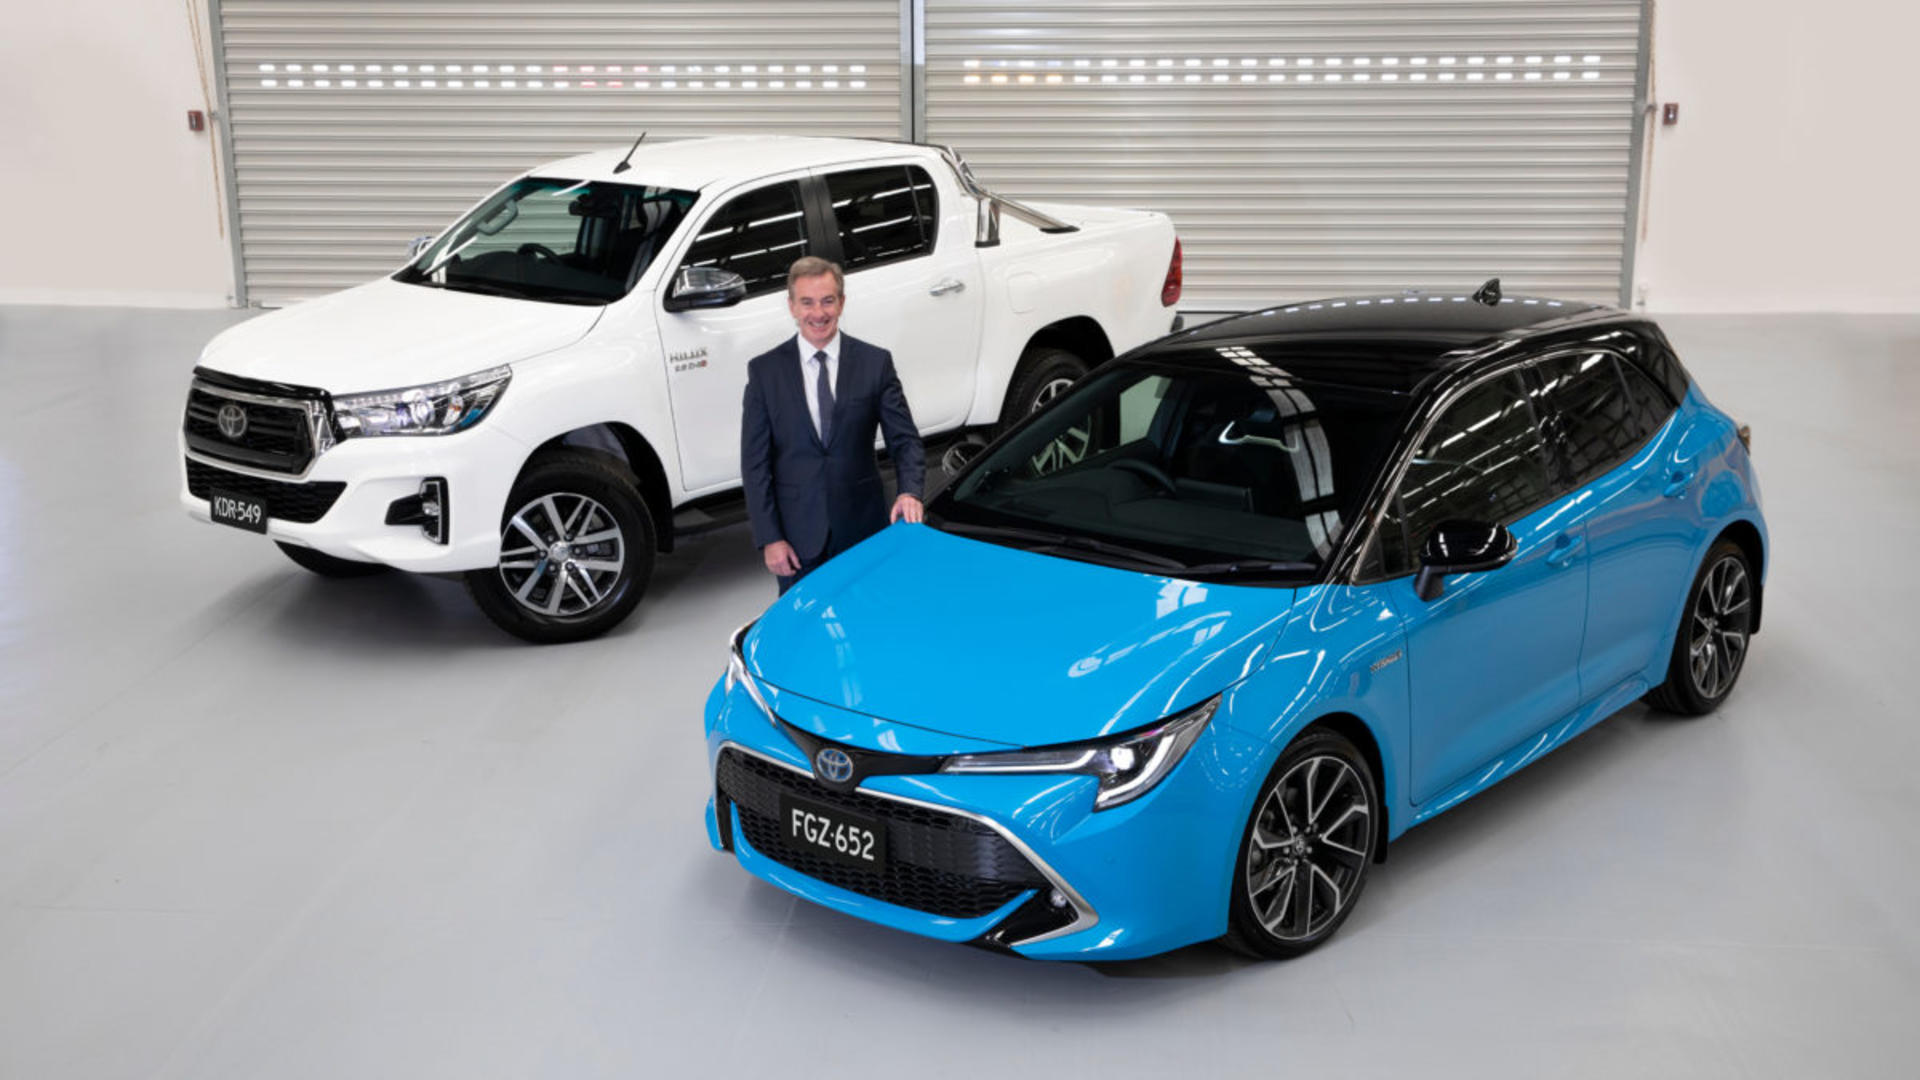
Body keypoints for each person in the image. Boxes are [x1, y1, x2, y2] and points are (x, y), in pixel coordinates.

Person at [741, 256, 925, 594]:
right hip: (796, 539)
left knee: (868, 621)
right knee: (804, 633)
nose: (819, 313)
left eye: (828, 301)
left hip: (863, 531)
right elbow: (755, 465)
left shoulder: (875, 363)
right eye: (807, 302)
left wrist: (909, 490)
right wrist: (771, 538)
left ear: (841, 302)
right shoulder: (765, 373)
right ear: (792, 306)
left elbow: (906, 441)